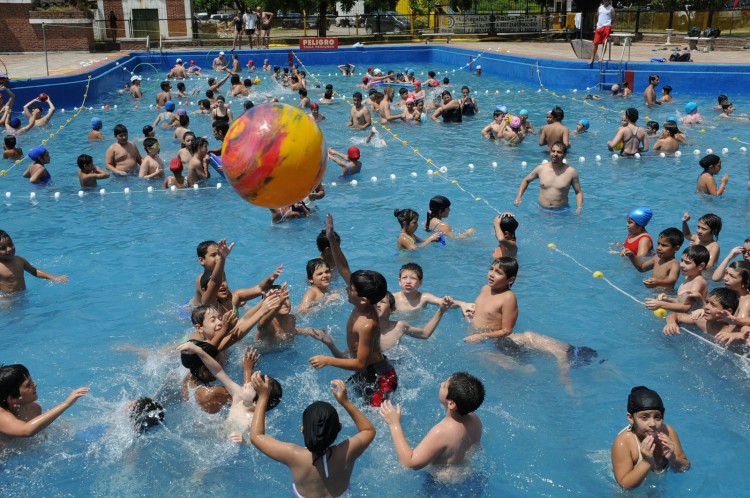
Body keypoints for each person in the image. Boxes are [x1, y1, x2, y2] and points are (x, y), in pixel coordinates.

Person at [308, 214, 397, 408]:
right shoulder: (364, 303)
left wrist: (327, 360)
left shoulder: (367, 324)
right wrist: (332, 240)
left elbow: (359, 363)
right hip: (367, 371)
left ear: (363, 299)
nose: (347, 289)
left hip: (378, 377)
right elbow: (344, 268)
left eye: (351, 289)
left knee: (374, 418)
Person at [250, 374, 375, 498]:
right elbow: (368, 430)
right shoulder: (346, 451)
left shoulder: (294, 455)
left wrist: (263, 397)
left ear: (302, 430)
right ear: (340, 428)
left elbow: (256, 436)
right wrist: (345, 402)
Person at [379, 372, 484, 483]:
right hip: (468, 476)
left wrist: (394, 424)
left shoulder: (442, 432)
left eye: (444, 386)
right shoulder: (475, 420)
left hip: (441, 484)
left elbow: (410, 463)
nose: (441, 383)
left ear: (451, 403)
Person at [177, 342, 281, 443]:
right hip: (220, 437)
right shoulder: (238, 397)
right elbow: (217, 371)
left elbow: (262, 441)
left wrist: (246, 441)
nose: (246, 383)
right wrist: (198, 350)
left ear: (257, 402)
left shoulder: (256, 420)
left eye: (251, 386)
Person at [611, 386, 690, 489]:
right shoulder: (624, 442)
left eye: (657, 417)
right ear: (630, 418)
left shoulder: (668, 432)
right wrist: (646, 462)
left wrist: (672, 458)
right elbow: (624, 485)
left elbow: (685, 467)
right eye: (644, 417)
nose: (652, 423)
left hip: (656, 487)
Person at [0, 364, 89, 446]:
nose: (35, 384)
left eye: (31, 381)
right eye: (28, 385)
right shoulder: (1, 416)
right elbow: (26, 431)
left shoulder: (34, 409)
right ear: (12, 398)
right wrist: (66, 404)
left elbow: (40, 432)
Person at [514, 142, 584, 214]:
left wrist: (579, 207)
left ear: (565, 155)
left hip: (562, 211)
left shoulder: (571, 172)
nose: (555, 154)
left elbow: (578, 191)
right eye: (553, 151)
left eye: (559, 152)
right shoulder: (541, 169)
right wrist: (519, 196)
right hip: (541, 209)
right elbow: (526, 180)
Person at [377, 291, 452, 351]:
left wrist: (441, 311)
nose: (378, 305)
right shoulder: (365, 327)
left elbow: (425, 334)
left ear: (392, 310)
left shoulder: (399, 327)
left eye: (382, 302)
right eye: (375, 302)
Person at [644, 245, 709, 313]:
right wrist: (668, 299)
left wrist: (661, 305)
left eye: (687, 263)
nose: (681, 264)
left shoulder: (698, 282)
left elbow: (686, 307)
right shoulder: (689, 277)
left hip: (693, 318)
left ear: (701, 266)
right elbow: (681, 301)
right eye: (682, 260)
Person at [0, 230, 68, 294]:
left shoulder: (20, 260)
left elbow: (34, 271)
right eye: (3, 248)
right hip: (7, 299)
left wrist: (54, 278)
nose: (9, 249)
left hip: (23, 295)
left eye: (10, 244)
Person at [663, 287, 739, 337]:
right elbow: (676, 315)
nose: (706, 307)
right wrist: (671, 322)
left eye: (713, 305)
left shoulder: (734, 330)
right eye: (707, 302)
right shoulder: (702, 321)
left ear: (728, 311)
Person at [589, 0, 615, 65]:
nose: (606, 1)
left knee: (604, 42)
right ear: (603, 1)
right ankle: (592, 58)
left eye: (607, 1)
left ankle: (601, 57)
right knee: (595, 43)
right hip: (599, 27)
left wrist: (608, 24)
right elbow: (598, 16)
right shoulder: (600, 8)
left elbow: (613, 18)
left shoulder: (611, 9)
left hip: (607, 27)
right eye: (605, 0)